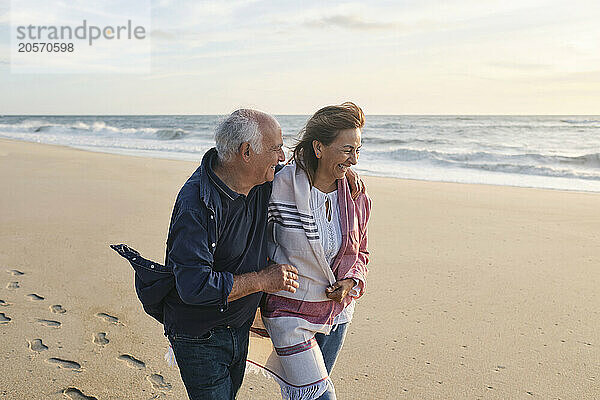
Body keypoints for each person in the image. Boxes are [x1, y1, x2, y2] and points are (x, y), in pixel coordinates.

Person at [163, 109, 300, 400]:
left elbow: (309, 171)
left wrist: (345, 177)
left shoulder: (262, 182)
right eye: (276, 148)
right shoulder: (196, 205)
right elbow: (194, 286)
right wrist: (263, 280)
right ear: (246, 152)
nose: (282, 157)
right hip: (199, 336)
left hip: (238, 327)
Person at [250, 102, 371, 400]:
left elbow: (361, 252)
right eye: (346, 150)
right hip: (288, 313)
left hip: (336, 313)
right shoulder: (277, 185)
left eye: (357, 150)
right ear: (319, 147)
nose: (354, 160)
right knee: (320, 396)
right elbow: (248, 238)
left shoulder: (355, 196)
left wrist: (351, 282)